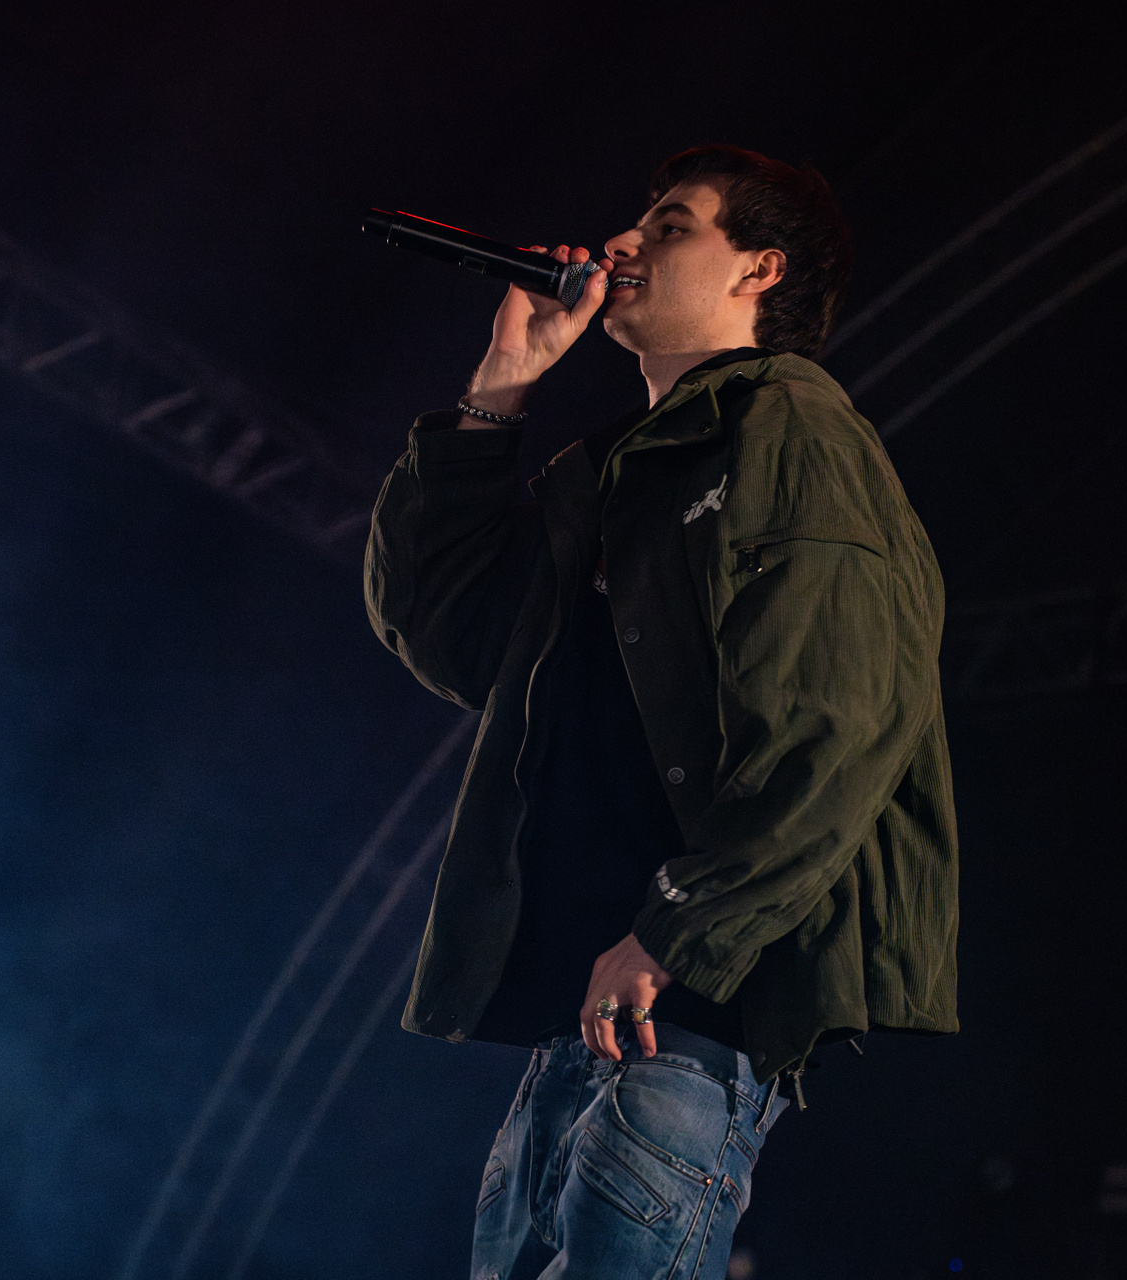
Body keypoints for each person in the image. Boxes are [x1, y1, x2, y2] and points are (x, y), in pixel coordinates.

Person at [364, 145, 959, 1280]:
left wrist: (679, 933)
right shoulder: (615, 472)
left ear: (759, 271)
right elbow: (447, 634)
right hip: (599, 1002)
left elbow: (837, 721)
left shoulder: (792, 427)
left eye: (672, 226)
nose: (622, 243)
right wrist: (500, 386)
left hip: (687, 998)